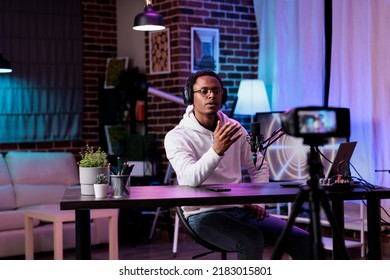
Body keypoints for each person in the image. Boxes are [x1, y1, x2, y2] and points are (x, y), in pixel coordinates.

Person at [164, 70, 312, 260]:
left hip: (241, 209)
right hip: (202, 215)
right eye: (204, 91)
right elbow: (189, 179)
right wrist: (216, 151)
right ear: (189, 97)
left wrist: (258, 203)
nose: (211, 95)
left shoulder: (235, 128)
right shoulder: (177, 136)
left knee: (302, 238)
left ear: (222, 95)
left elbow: (259, 166)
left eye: (216, 91)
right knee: (251, 239)